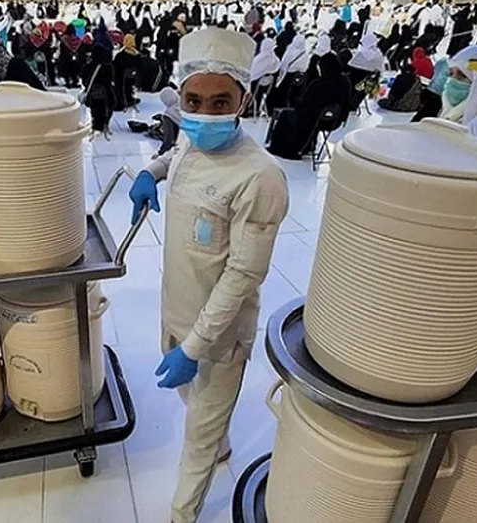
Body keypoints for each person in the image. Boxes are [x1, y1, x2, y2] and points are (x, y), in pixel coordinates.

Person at [127, 27, 289, 523]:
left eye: (221, 102)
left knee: (194, 439)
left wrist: (195, 347)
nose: (205, 113)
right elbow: (176, 154)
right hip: (175, 304)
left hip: (217, 336)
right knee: (190, 401)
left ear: (245, 98)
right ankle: (221, 443)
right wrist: (148, 173)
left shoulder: (259, 177)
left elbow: (242, 275)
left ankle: (182, 514)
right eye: (194, 100)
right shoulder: (193, 141)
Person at [269, 52, 351, 159]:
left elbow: (305, 105)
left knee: (285, 115)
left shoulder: (319, 84)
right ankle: (309, 145)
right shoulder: (345, 81)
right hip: (333, 121)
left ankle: (277, 147)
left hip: (312, 119)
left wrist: (295, 97)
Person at [81, 44, 116, 138]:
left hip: (92, 93)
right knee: (109, 106)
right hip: (106, 93)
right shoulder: (108, 66)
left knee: (95, 109)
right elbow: (110, 80)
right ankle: (104, 123)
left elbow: (84, 81)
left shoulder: (87, 67)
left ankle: (96, 124)